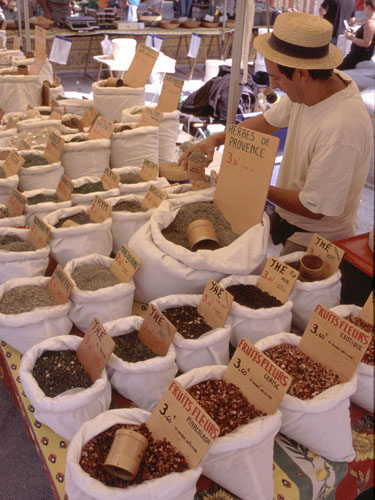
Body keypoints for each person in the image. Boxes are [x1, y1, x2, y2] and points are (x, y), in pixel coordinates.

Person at [178, 11, 372, 255]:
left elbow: (314, 208)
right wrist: (215, 140)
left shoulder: (342, 126)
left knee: (300, 291)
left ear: (303, 73)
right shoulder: (312, 89)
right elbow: (267, 122)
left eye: (277, 77)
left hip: (315, 240)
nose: (272, 86)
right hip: (287, 222)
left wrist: (253, 185)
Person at [337, 0, 375, 69]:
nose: (363, 11)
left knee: (338, 72)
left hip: (357, 56)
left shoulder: (370, 23)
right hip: (358, 55)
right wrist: (355, 32)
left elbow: (366, 43)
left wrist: (351, 38)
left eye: (364, 8)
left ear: (369, 7)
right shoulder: (370, 21)